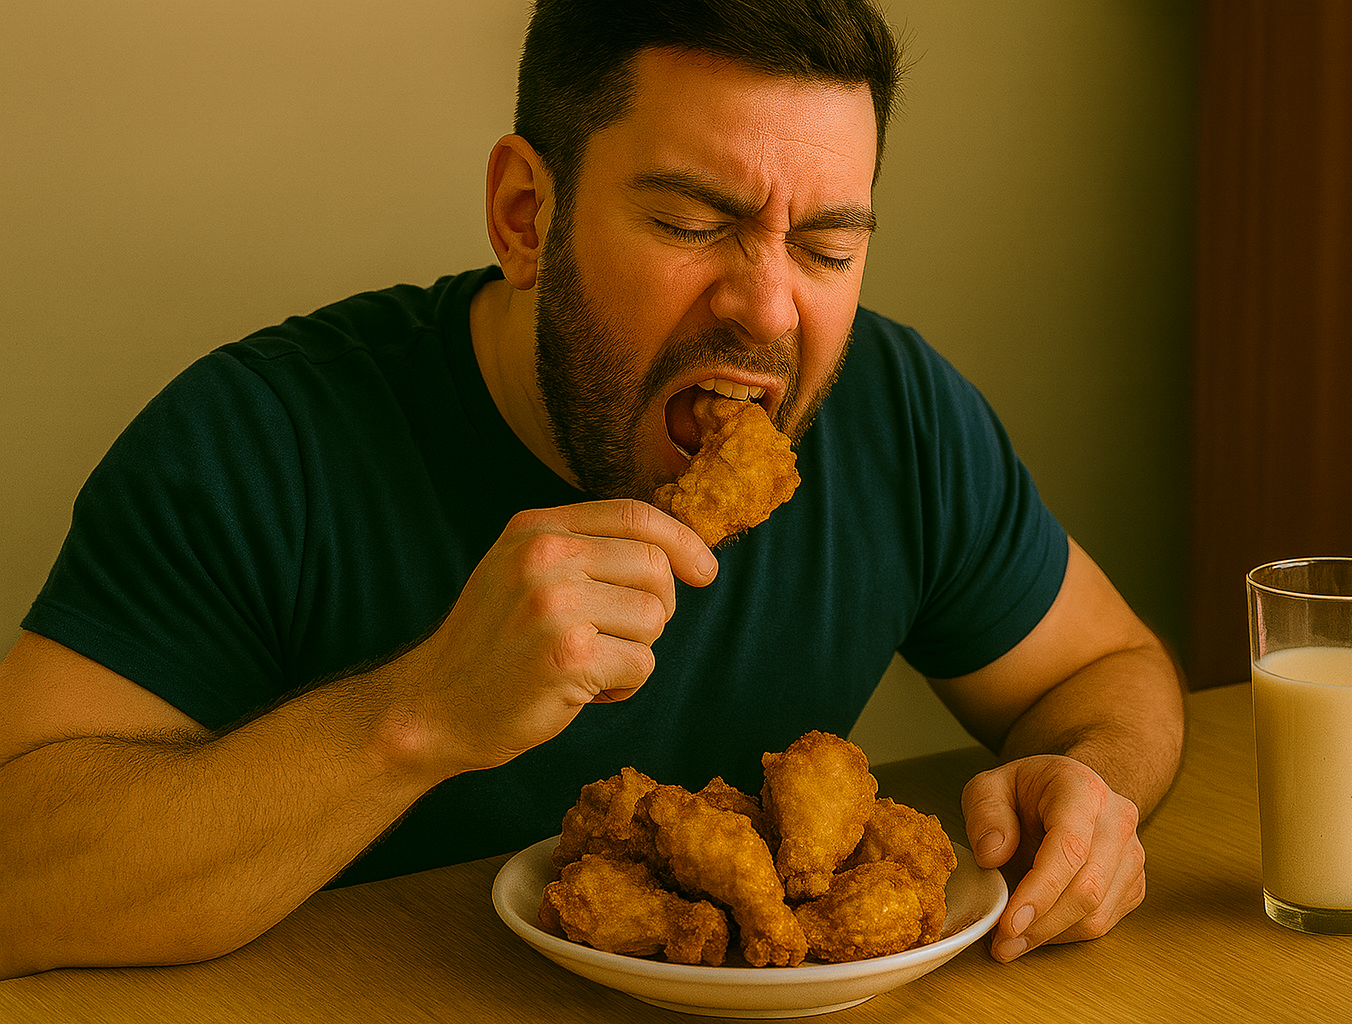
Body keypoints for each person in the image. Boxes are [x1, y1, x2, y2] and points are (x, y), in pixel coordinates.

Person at [0, 0, 1184, 979]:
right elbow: (17, 875)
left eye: (828, 248)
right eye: (689, 221)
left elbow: (1108, 671)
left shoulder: (896, 415)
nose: (770, 311)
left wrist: (1093, 789)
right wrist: (416, 717)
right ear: (527, 216)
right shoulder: (259, 442)